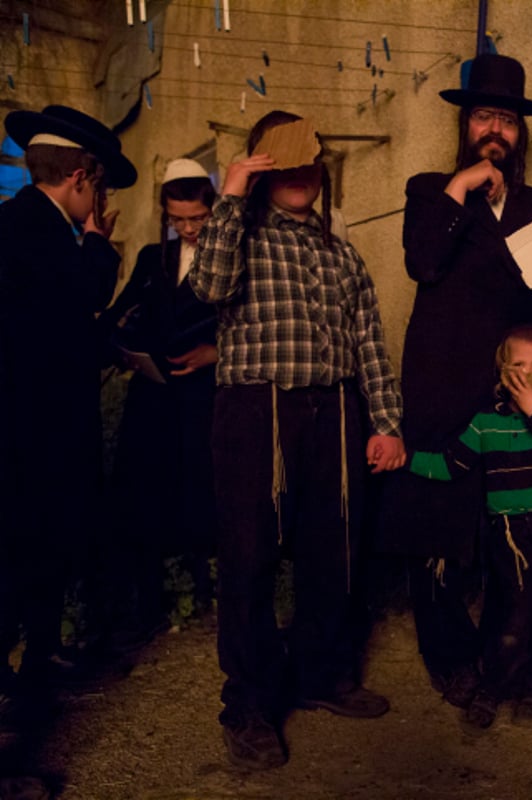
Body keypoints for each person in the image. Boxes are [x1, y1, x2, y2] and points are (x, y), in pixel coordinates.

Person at [189, 110, 405, 770]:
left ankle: (320, 675)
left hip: (334, 410)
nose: (299, 175)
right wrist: (228, 193)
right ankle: (249, 704)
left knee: (332, 551)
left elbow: (368, 339)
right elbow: (208, 286)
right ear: (260, 169)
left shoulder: (341, 253)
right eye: (282, 163)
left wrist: (387, 424)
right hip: (258, 410)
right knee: (250, 558)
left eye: (309, 163)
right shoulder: (241, 238)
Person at [376, 53, 532, 711]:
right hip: (443, 388)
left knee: (507, 535)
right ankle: (449, 657)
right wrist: (460, 192)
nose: (496, 130)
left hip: (516, 397)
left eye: (508, 120)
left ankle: (503, 663)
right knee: (439, 532)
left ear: (521, 134)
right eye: (485, 116)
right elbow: (424, 263)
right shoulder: (431, 190)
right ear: (467, 125)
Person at [0, 104, 135, 791]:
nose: (101, 202)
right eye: (101, 188)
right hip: (29, 438)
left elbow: (54, 324)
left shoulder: (22, 224)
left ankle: (36, 671)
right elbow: (78, 297)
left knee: (39, 557)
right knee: (20, 562)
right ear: (81, 177)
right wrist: (98, 243)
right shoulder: (36, 230)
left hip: (32, 434)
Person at [406, 323, 532, 731]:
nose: (527, 375)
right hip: (509, 536)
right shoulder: (486, 421)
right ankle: (494, 686)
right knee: (510, 616)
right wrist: (404, 459)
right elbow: (450, 464)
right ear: (501, 369)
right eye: (518, 365)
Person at [98, 158, 219, 649]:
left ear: (214, 211)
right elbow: (123, 313)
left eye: (198, 219)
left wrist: (217, 353)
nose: (188, 229)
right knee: (143, 496)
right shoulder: (153, 258)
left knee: (205, 496)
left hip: (205, 398)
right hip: (153, 398)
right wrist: (123, 350)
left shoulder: (231, 257)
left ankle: (211, 596)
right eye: (178, 220)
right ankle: (147, 603)